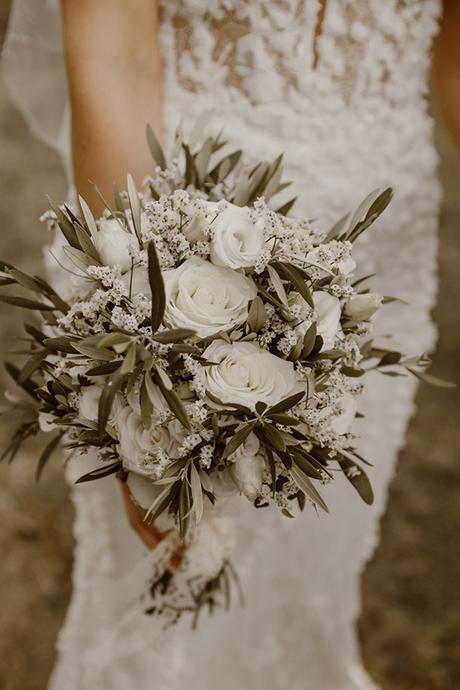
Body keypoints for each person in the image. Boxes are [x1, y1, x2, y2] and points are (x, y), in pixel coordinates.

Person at [3, 1, 459, 688]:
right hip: (184, 238)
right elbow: (115, 59)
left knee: (313, 566)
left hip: (381, 260)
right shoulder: (162, 287)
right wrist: (142, 353)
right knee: (172, 591)